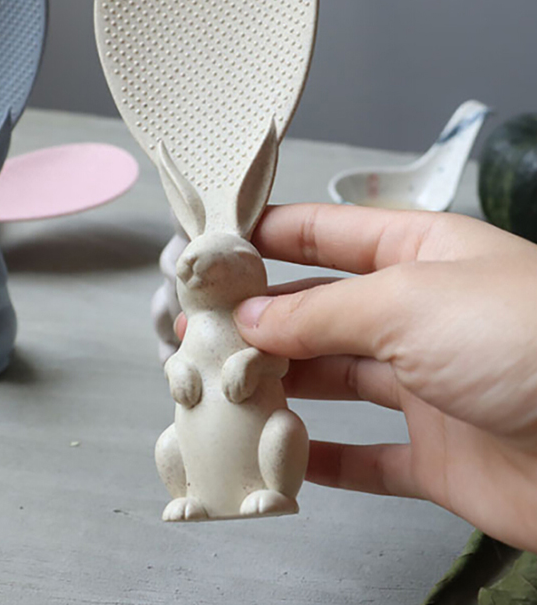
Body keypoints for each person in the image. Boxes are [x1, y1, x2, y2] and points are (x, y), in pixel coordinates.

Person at [174, 203, 537, 553]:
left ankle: (273, 488)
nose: (191, 268)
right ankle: (192, 495)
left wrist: (251, 362)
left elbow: (277, 364)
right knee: (169, 444)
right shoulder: (196, 330)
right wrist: (179, 371)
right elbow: (179, 364)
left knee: (282, 430)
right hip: (199, 444)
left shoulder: (253, 326)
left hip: (257, 438)